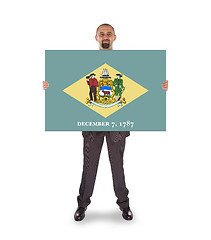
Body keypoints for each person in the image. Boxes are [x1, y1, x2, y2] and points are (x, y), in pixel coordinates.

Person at [43, 23, 168, 222]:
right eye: (102, 34)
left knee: (117, 166)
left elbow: (143, 84)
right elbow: (67, 84)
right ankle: (82, 205)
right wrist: (51, 85)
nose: (105, 36)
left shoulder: (127, 63)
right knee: (89, 166)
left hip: (117, 125)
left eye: (108, 33)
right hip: (92, 125)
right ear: (96, 38)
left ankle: (124, 204)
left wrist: (159, 86)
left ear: (115, 37)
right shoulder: (84, 64)